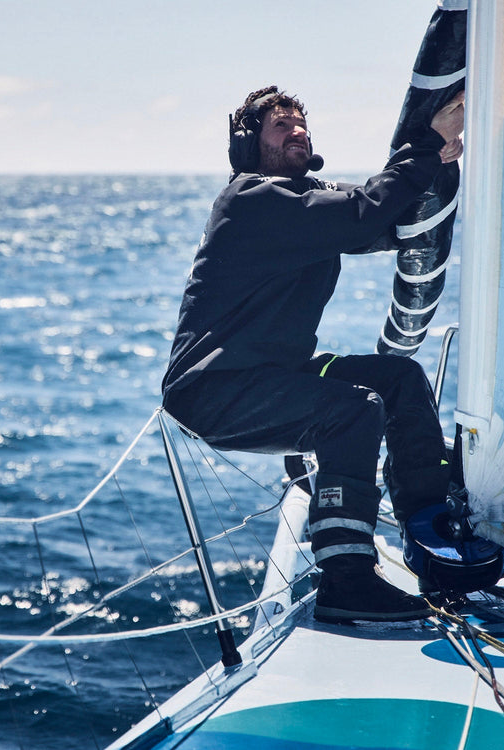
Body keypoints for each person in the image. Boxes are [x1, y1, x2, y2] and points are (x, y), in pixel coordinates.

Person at [162, 85, 465, 623]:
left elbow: (387, 218)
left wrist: (439, 162)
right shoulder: (253, 199)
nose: (298, 131)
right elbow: (361, 213)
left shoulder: (305, 200)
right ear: (249, 142)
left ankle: (433, 538)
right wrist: (424, 142)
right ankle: (346, 580)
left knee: (398, 379)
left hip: (271, 372)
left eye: (302, 124)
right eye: (282, 125)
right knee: (353, 409)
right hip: (214, 386)